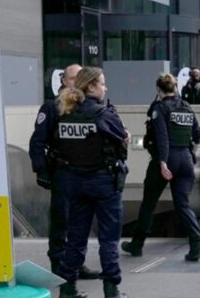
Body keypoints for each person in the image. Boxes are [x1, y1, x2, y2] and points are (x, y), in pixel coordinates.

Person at [55, 67, 130, 298]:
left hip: (76, 181)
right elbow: (123, 138)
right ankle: (111, 289)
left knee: (75, 238)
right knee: (108, 238)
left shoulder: (65, 113)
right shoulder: (102, 114)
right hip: (103, 181)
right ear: (91, 86)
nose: (105, 88)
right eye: (102, 84)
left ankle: (68, 288)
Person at [122, 73, 200, 261]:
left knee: (149, 203)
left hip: (166, 160)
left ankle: (137, 244)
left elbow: (162, 137)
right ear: (175, 88)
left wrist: (163, 162)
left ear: (158, 90)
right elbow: (197, 135)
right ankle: (196, 243)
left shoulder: (160, 108)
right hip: (185, 159)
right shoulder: (186, 107)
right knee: (182, 204)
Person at [28, 64, 99, 280]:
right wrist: (41, 170)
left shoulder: (89, 107)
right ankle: (58, 264)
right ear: (63, 81)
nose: (75, 83)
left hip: (85, 173)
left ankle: (76, 263)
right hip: (63, 172)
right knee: (62, 220)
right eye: (72, 79)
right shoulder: (52, 107)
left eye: (80, 79)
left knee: (81, 221)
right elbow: (37, 142)